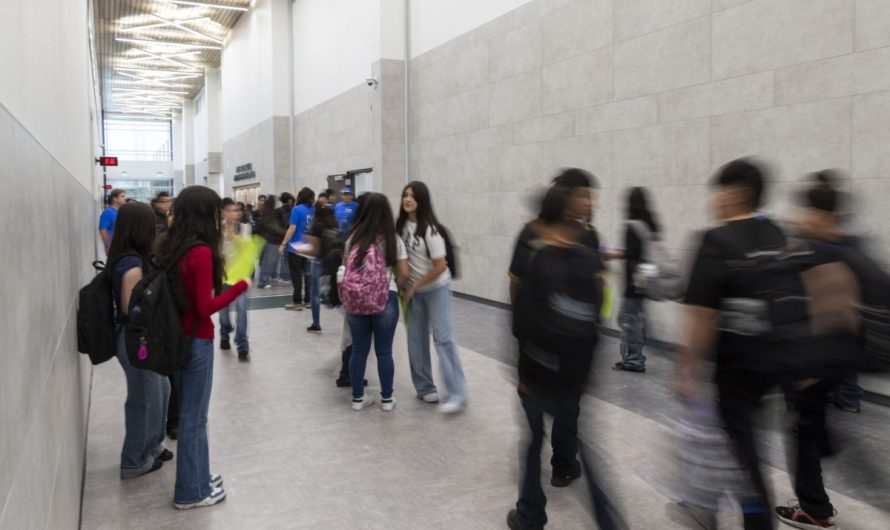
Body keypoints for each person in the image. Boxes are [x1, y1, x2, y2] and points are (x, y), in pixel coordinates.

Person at [676, 158, 793, 530]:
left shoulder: (716, 240)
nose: (715, 201)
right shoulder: (777, 235)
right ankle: (704, 502)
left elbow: (702, 316)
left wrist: (687, 370)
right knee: (737, 442)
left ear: (735, 194)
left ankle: (750, 520)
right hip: (772, 363)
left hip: (736, 369)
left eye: (719, 192)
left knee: (744, 456)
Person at [506, 169, 624, 530]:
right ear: (564, 199)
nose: (590, 203)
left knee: (555, 427)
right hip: (559, 353)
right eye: (584, 195)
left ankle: (553, 479)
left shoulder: (582, 238)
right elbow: (518, 293)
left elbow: (596, 298)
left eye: (591, 196)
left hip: (558, 353)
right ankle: (561, 478)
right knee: (556, 425)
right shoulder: (540, 236)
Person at [156, 186, 249, 510]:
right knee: (195, 418)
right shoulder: (201, 252)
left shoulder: (174, 246)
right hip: (197, 340)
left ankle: (200, 478)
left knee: (191, 416)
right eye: (214, 211)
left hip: (178, 338)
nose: (219, 216)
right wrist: (238, 287)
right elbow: (205, 307)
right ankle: (190, 492)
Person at [107, 202, 173, 479]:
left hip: (143, 338)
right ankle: (133, 460)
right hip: (136, 340)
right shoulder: (131, 264)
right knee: (143, 400)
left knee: (162, 390)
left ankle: (152, 446)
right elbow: (129, 309)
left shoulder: (129, 256)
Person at [397, 181, 468, 413]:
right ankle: (425, 388)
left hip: (436, 288)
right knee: (415, 340)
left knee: (443, 339)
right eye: (405, 195)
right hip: (413, 291)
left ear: (422, 201)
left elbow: (440, 266)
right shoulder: (400, 227)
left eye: (413, 196)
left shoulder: (431, 229)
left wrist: (414, 285)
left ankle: (457, 393)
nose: (407, 199)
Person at [343, 192, 408, 412]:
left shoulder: (353, 238)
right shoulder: (393, 239)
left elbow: (346, 268)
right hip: (385, 298)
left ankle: (358, 399)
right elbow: (404, 274)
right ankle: (387, 400)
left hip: (356, 300)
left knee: (359, 350)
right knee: (384, 351)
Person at [614, 187, 659, 373]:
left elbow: (632, 257)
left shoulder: (631, 226)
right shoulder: (649, 225)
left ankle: (634, 360)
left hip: (634, 283)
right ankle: (634, 357)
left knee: (628, 320)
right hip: (645, 281)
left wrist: (618, 254)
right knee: (636, 320)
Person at [219, 198, 252, 360]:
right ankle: (224, 334)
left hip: (240, 277)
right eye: (231, 210)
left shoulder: (244, 228)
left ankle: (242, 345)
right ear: (224, 213)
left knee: (242, 311)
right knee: (223, 311)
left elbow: (247, 247)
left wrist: (233, 236)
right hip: (223, 277)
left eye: (237, 210)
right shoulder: (217, 229)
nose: (235, 213)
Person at [304, 201, 340, 333]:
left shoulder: (316, 226)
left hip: (318, 263)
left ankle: (316, 323)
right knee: (335, 289)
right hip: (333, 262)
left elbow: (313, 248)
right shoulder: (335, 224)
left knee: (314, 293)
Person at [279, 187, 315, 310]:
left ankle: (297, 302)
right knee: (308, 275)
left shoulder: (296, 209)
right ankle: (308, 301)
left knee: (296, 275)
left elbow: (292, 228)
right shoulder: (313, 209)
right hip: (310, 244)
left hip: (296, 245)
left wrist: (283, 244)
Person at [255, 194, 286, 289]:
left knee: (267, 262)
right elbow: (273, 227)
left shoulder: (266, 212)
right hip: (272, 240)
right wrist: (285, 233)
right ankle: (263, 281)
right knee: (268, 262)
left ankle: (264, 280)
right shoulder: (272, 213)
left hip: (268, 239)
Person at [275, 192, 295, 283]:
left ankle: (283, 275)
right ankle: (287, 275)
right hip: (291, 234)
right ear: (290, 200)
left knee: (283, 256)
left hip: (281, 235)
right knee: (289, 256)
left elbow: (276, 224)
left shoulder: (278, 210)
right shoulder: (293, 209)